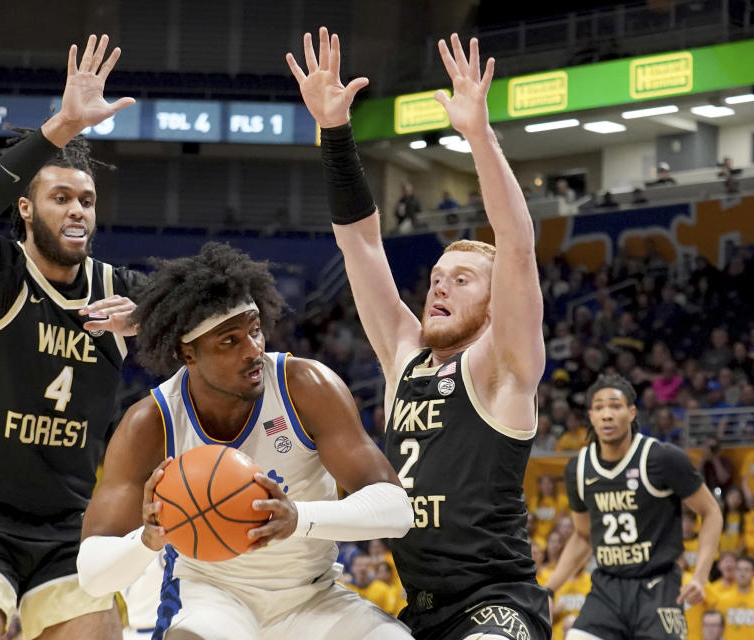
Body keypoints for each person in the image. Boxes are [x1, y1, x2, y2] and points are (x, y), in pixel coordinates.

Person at [288, 27, 550, 639]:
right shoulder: (404, 355)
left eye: (462, 279)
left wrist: (479, 137)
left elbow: (516, 244)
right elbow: (358, 240)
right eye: (435, 277)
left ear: (494, 305)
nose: (439, 287)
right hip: (417, 608)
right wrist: (334, 130)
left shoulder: (502, 366)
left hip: (497, 602)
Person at [75, 242, 414, 639]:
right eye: (229, 341)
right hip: (212, 599)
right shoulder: (151, 423)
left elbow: (396, 509)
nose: (253, 349)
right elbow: (92, 576)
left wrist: (299, 518)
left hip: (312, 597)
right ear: (188, 353)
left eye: (254, 330)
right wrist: (146, 541)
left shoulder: (304, 385)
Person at [0, 34, 144, 640]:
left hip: (70, 524)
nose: (78, 210)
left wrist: (148, 319)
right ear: (25, 208)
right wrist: (58, 128)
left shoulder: (117, 288)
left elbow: (223, 314)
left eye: (87, 200)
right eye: (60, 198)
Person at [543, 373, 722, 640]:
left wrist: (700, 575)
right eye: (599, 407)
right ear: (591, 416)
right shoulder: (578, 469)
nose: (607, 414)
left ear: (632, 412)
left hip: (658, 586)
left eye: (615, 406)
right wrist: (548, 590)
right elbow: (583, 536)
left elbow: (711, 512)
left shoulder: (662, 458)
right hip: (607, 588)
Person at [717, 555, 754, 640]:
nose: (742, 573)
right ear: (735, 572)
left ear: (753, 573)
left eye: (747, 570)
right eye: (739, 569)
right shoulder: (724, 599)